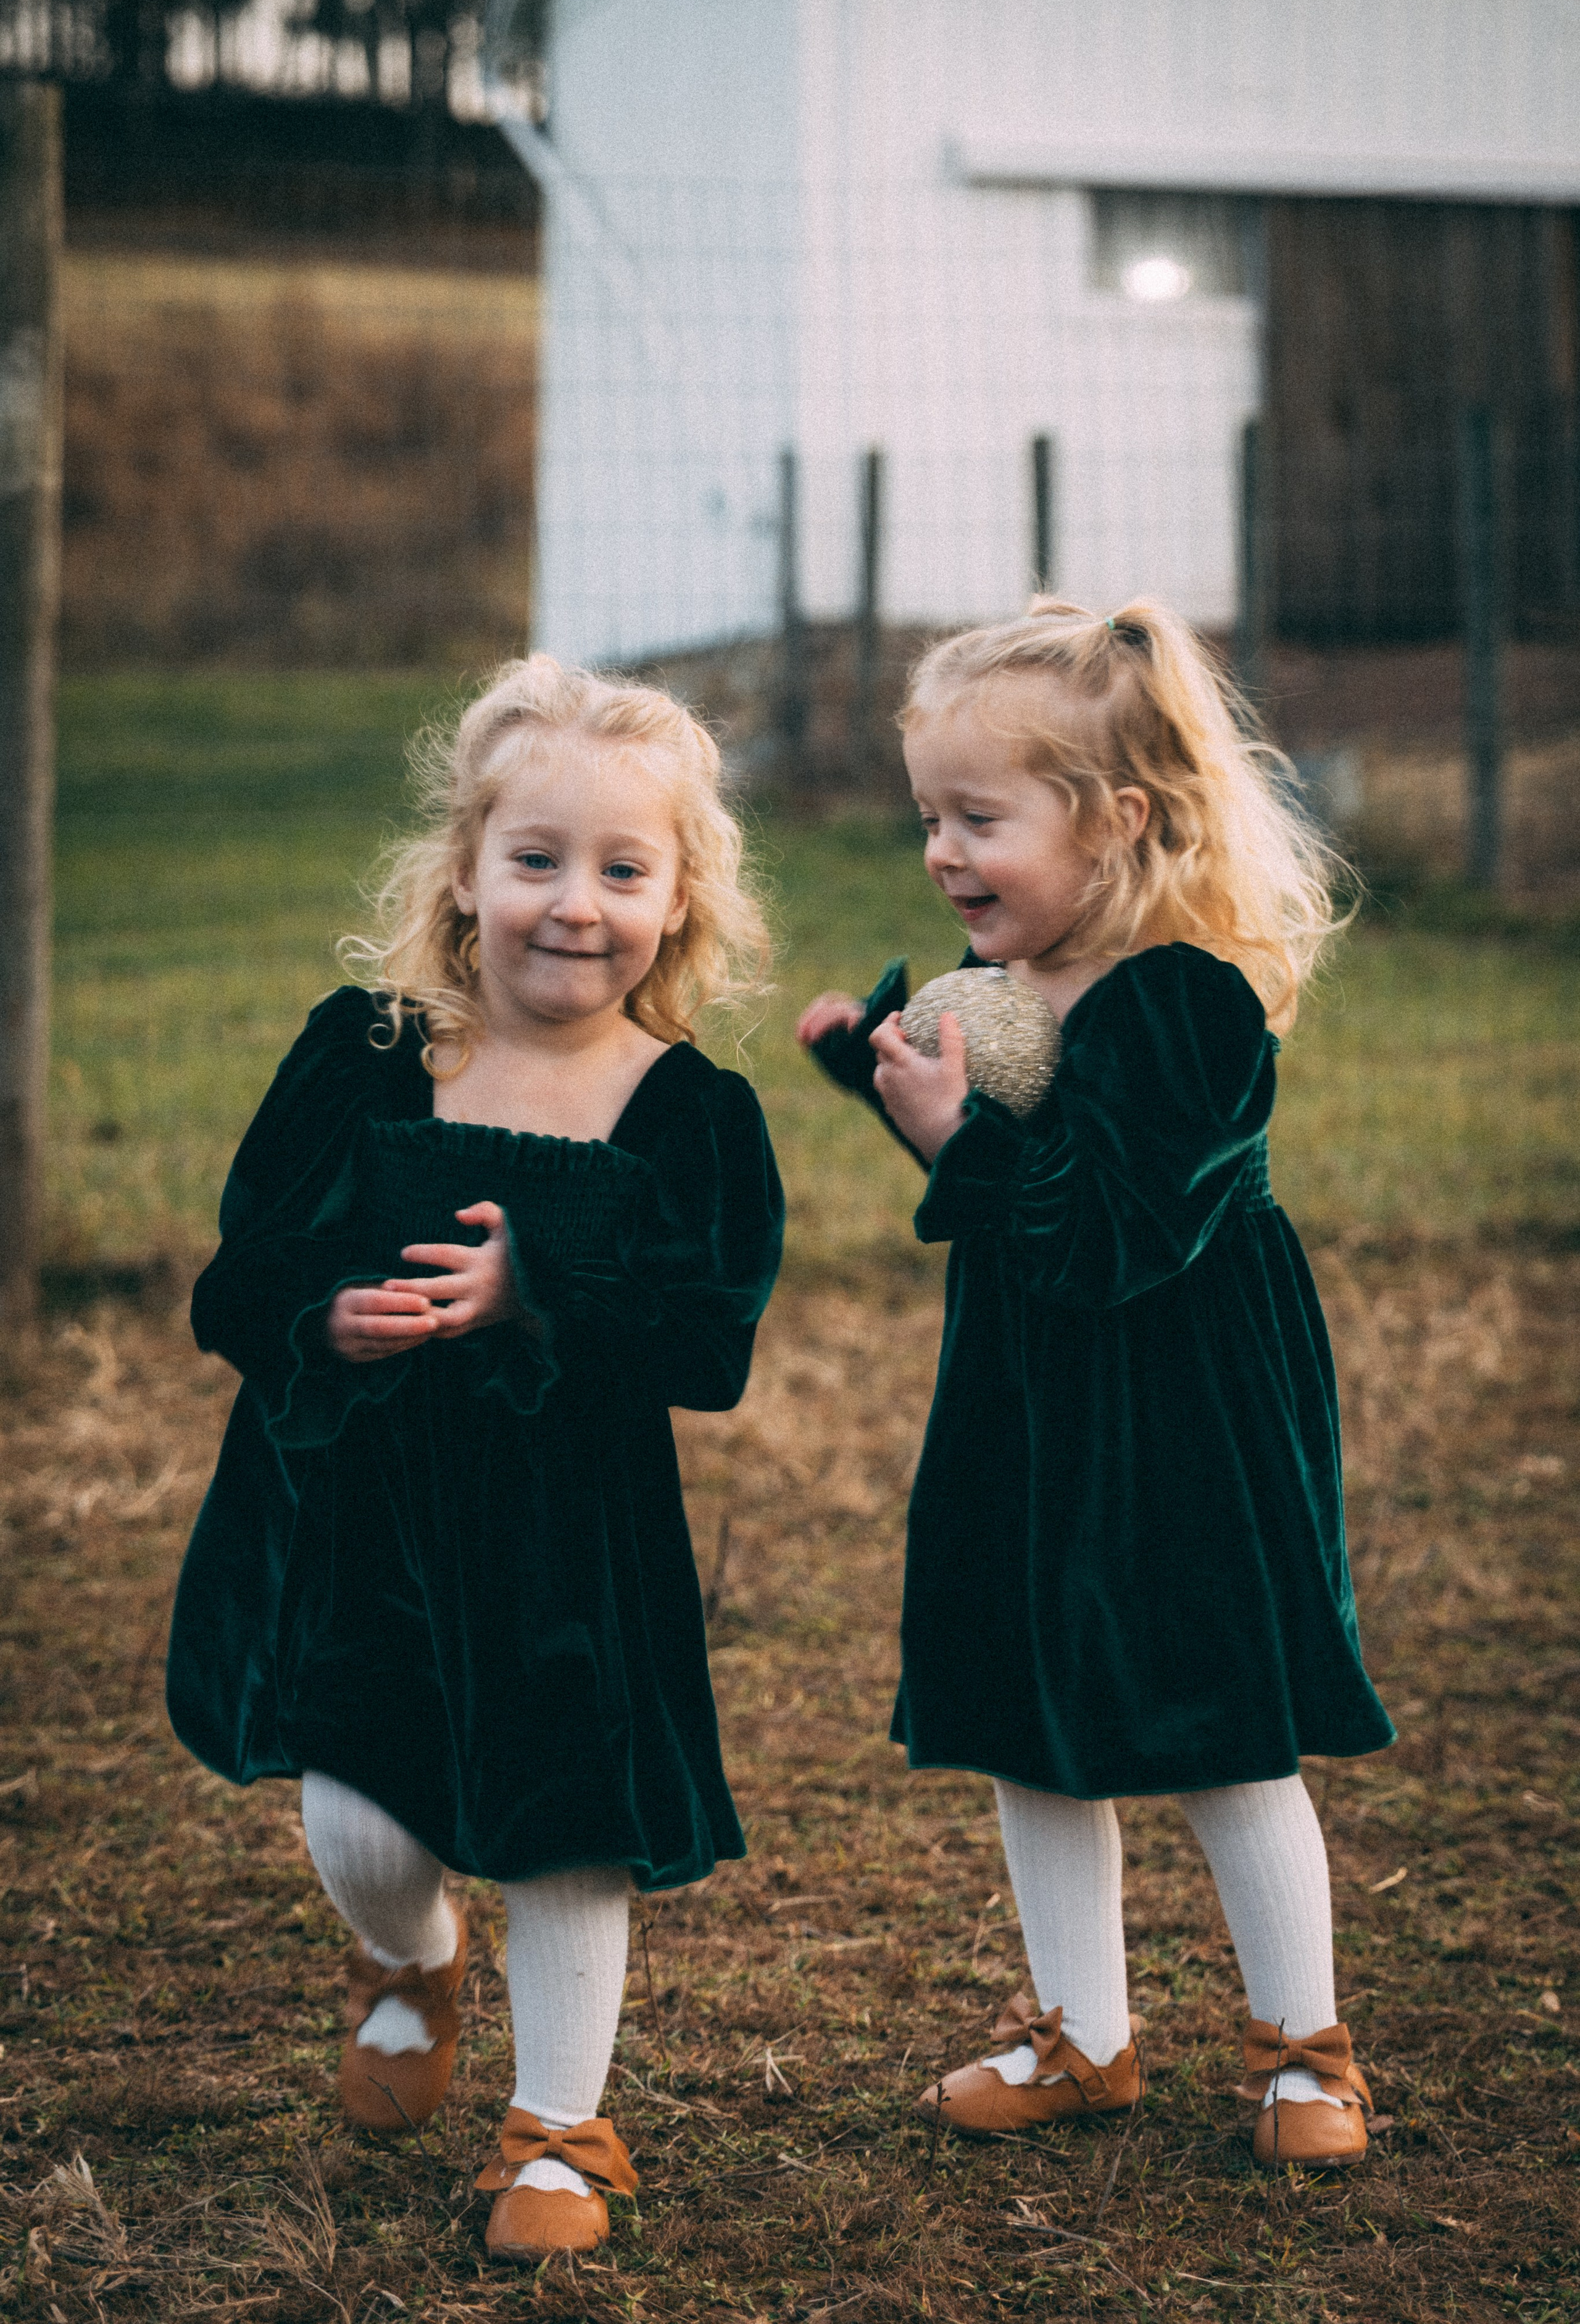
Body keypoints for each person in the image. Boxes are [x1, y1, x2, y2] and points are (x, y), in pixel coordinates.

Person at [168, 656, 783, 2257]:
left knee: (568, 1824)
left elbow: (707, 1340)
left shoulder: (686, 1114)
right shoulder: (370, 1053)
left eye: (622, 869)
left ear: (679, 898)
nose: (575, 904)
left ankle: (563, 2131)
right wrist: (323, 1316)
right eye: (537, 860)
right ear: (464, 873)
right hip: (368, 1517)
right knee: (364, 1818)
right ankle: (412, 1952)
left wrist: (540, 1290)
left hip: (573, 1537)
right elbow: (235, 1279)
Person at [799, 599, 1394, 2170]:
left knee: (1215, 1724)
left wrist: (952, 1139)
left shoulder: (1186, 1002)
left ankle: (1303, 2048)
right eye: (928, 815)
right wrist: (885, 1076)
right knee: (1029, 1706)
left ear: (1115, 821)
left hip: (1181, 1410)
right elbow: (1011, 1186)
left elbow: (1106, 1233)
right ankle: (1085, 2035)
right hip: (1028, 1403)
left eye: (978, 818)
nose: (939, 851)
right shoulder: (1012, 988)